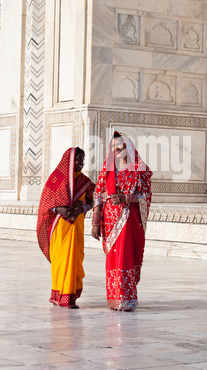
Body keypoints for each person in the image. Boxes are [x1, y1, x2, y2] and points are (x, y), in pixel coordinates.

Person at [92, 132, 152, 311]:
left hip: (129, 220)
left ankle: (127, 299)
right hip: (110, 222)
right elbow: (98, 194)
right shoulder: (108, 168)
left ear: (128, 148)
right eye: (113, 148)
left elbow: (146, 195)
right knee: (113, 260)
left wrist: (127, 198)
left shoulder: (139, 169)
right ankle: (114, 298)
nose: (115, 151)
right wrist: (95, 222)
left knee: (126, 258)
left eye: (119, 148)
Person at [37, 147, 95, 308]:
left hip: (76, 227)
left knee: (74, 260)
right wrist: (59, 209)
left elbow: (92, 201)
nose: (81, 163)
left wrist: (81, 208)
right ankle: (58, 295)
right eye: (78, 160)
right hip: (60, 228)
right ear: (69, 160)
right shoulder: (56, 179)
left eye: (83, 160)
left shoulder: (85, 182)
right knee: (61, 261)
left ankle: (69, 297)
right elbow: (45, 205)